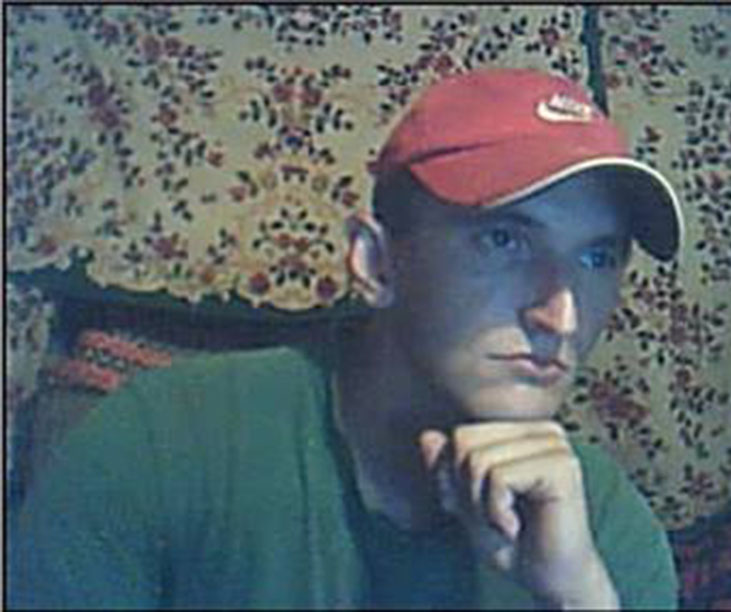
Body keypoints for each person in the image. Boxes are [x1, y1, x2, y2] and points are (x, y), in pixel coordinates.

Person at [8, 69, 683, 609]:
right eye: (503, 240)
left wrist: (577, 598)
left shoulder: (598, 526)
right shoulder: (162, 443)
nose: (562, 314)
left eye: (597, 257)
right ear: (376, 262)